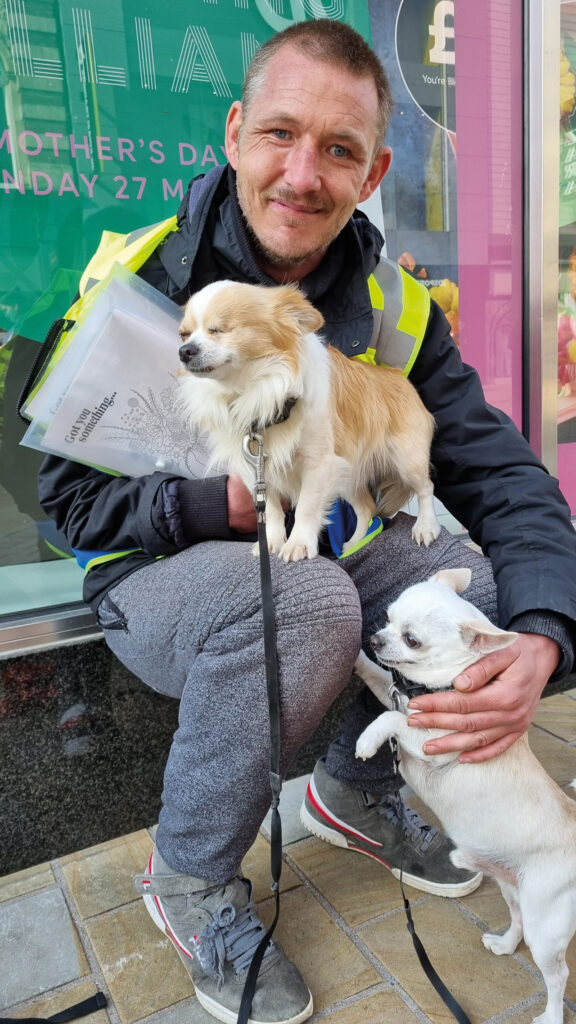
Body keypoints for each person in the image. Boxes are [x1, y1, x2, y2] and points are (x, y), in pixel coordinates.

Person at [37, 19, 576, 1024]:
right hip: (154, 574)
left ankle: (345, 787)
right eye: (281, 133)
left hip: (320, 550)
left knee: (482, 592)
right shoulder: (145, 289)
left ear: (373, 169)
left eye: (337, 149)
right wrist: (209, 503)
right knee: (307, 601)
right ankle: (192, 878)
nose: (302, 173)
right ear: (236, 132)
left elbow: (500, 470)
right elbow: (64, 503)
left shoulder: (395, 306)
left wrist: (544, 635)